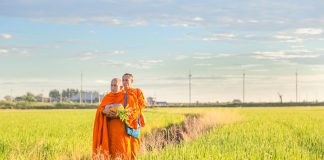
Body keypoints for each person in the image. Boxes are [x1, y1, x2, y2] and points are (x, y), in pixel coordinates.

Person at [93, 78, 132, 159]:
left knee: (122, 152)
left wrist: (119, 114)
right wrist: (104, 111)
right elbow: (99, 109)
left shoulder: (126, 97)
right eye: (111, 85)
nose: (113, 87)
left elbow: (131, 113)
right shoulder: (107, 97)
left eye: (115, 85)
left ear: (121, 87)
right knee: (110, 152)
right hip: (108, 131)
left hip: (122, 131)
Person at [122, 73, 146, 159]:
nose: (125, 82)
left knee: (133, 147)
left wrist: (131, 116)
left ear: (132, 81)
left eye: (127, 80)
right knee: (124, 147)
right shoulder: (120, 92)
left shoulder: (137, 91)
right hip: (121, 122)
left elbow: (141, 105)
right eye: (123, 80)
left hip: (134, 123)